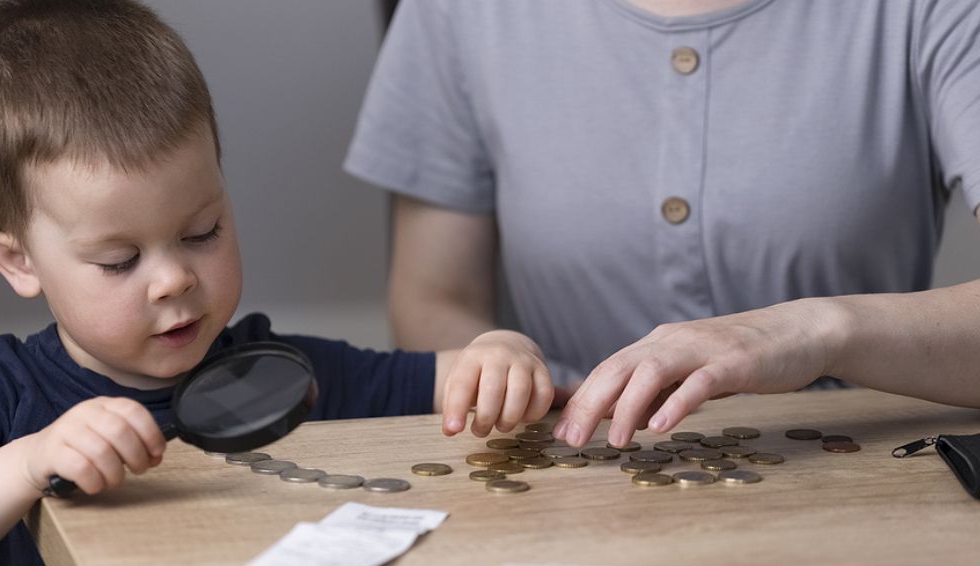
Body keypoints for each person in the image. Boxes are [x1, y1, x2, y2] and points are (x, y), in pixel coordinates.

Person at [0, 2, 553, 566]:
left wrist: (502, 352)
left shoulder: (281, 374)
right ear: (18, 261)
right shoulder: (2, 389)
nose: (173, 279)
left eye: (202, 231)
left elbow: (458, 380)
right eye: (119, 260)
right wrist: (29, 462)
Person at [344, 0, 980, 450]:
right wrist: (507, 373)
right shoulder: (455, 12)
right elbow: (435, 301)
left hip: (868, 462)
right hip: (572, 463)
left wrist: (819, 329)